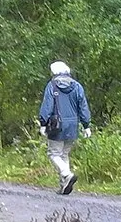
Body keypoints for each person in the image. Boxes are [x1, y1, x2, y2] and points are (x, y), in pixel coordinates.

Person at [38, 61, 91, 195]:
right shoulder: (77, 86)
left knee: (54, 154)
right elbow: (83, 107)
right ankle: (64, 185)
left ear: (54, 72)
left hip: (57, 126)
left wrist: (43, 123)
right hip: (72, 125)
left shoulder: (52, 86)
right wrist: (86, 126)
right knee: (64, 154)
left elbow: (47, 106)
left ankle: (67, 174)